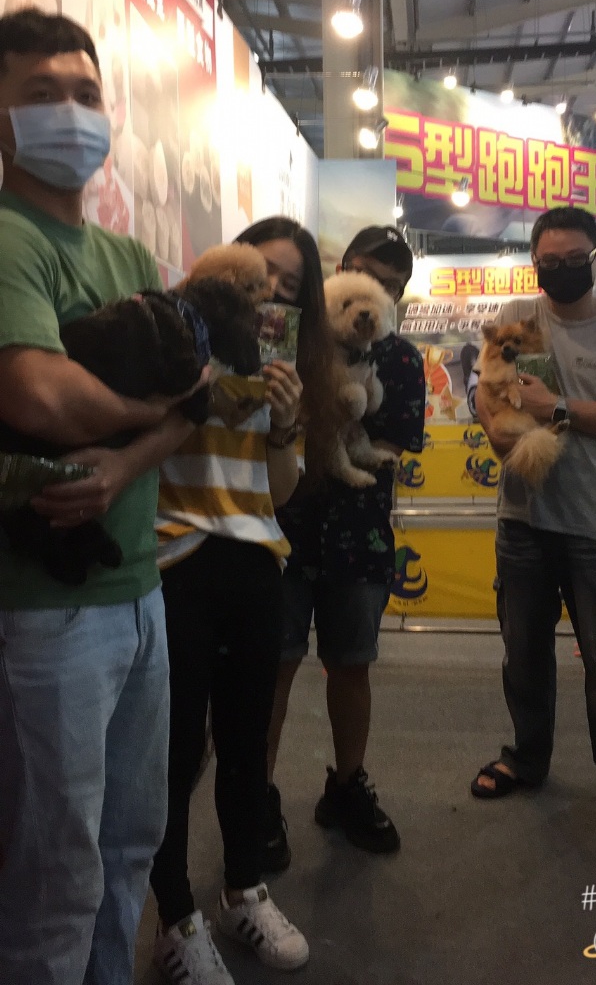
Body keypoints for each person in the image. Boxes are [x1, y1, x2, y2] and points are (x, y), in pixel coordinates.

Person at [0, 9, 201, 985]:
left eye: (85, 93)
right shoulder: (9, 240)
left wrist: (123, 461)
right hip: (44, 610)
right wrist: (154, 407)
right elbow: (37, 396)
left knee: (130, 843)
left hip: (140, 590)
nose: (71, 113)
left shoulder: (126, 257)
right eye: (41, 94)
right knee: (54, 870)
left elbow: (194, 401)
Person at [150, 218, 339, 985]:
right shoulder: (173, 329)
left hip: (256, 558)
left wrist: (285, 424)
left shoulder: (286, 365)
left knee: (245, 741)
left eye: (288, 288)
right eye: (260, 277)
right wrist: (196, 389)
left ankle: (242, 890)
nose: (270, 296)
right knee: (172, 751)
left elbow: (280, 491)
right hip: (174, 556)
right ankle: (174, 918)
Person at [471, 205, 596, 829]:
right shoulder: (517, 317)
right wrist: (494, 426)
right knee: (522, 655)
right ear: (535, 262)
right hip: (522, 520)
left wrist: (556, 408)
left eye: (574, 260)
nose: (561, 270)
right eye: (549, 261)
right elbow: (482, 386)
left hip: (595, 524)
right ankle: (525, 759)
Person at [266, 225, 426, 865]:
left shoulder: (402, 361)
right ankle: (257, 796)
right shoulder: (291, 340)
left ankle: (347, 783)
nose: (373, 294)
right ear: (340, 272)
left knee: (352, 664)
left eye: (389, 286)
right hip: (281, 530)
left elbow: (393, 439)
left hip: (359, 534)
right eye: (365, 275)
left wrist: (320, 426)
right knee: (272, 668)